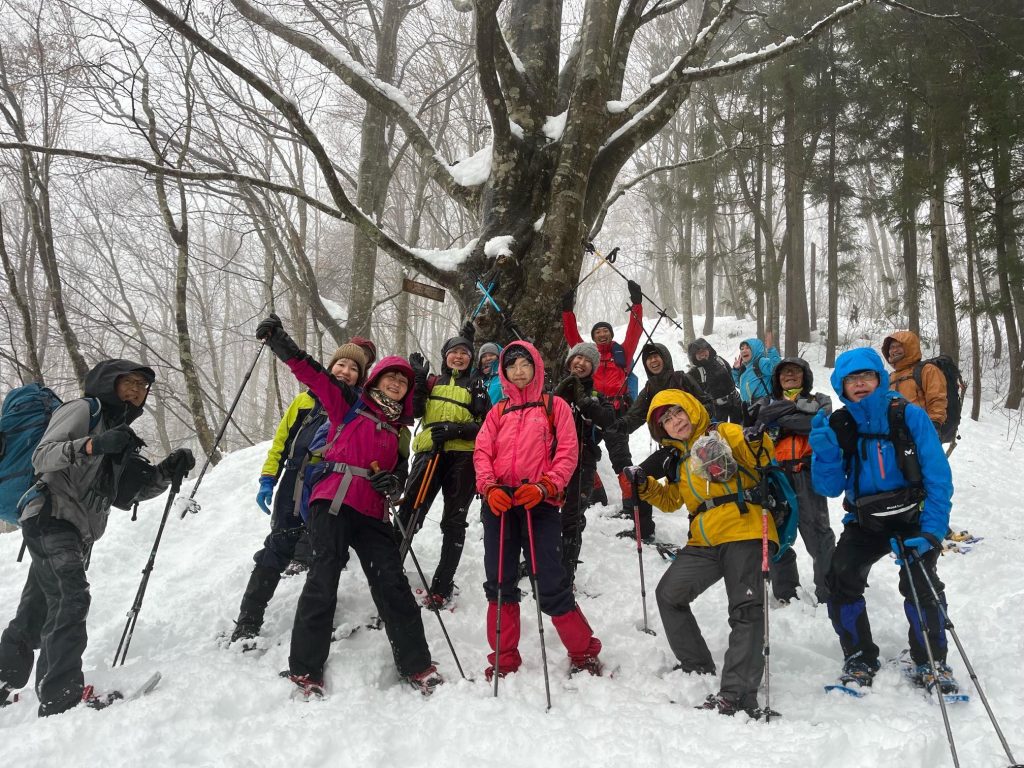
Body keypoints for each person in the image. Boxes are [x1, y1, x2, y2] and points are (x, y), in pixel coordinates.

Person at [255, 314, 442, 697]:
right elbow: (314, 375)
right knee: (324, 576)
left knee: (392, 581)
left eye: (403, 381)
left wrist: (390, 483)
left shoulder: (398, 432)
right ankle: (305, 669)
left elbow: (398, 477)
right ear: (376, 380)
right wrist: (281, 342)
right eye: (391, 376)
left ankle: (417, 663)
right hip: (334, 501)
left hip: (372, 511)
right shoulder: (349, 404)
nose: (395, 383)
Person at [0, 360, 195, 716]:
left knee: (37, 610)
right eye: (130, 382)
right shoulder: (82, 410)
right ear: (110, 382)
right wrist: (93, 445)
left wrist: (166, 471)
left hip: (75, 532)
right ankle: (61, 698)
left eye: (143, 386)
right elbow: (42, 455)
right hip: (51, 516)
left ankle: (3, 681)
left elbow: (126, 495)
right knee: (71, 598)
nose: (137, 390)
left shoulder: (119, 432)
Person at [809, 347, 957, 694]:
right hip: (865, 521)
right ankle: (859, 656)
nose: (859, 384)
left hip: (912, 518)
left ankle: (930, 660)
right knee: (840, 577)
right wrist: (826, 453)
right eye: (851, 379)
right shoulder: (840, 424)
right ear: (841, 386)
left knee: (921, 584)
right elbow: (829, 488)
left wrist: (933, 531)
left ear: (879, 377)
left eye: (866, 376)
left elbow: (938, 477)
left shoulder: (910, 416)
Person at [628, 388, 777, 718]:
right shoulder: (681, 461)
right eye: (665, 420)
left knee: (746, 609)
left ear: (691, 409)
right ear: (661, 430)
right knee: (670, 593)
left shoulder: (723, 432)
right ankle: (696, 665)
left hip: (743, 527)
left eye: (677, 412)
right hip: (703, 540)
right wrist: (646, 485)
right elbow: (672, 502)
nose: (674, 421)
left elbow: (762, 456)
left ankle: (738, 694)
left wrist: (755, 436)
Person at [474, 341, 603, 678]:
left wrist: (547, 485)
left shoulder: (554, 406)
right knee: (499, 582)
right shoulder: (497, 411)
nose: (519, 371)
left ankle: (583, 650)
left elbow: (568, 454)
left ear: (537, 368)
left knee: (550, 581)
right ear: (503, 371)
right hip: (500, 504)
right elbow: (481, 453)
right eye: (512, 365)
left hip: (539, 503)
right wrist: (488, 487)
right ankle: (504, 659)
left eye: (525, 364)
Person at [229, 343, 368, 645]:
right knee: (277, 545)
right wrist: (268, 478)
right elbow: (281, 441)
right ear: (330, 367)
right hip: (295, 480)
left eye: (354, 368)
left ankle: (317, 621)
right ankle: (248, 620)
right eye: (341, 365)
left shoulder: (358, 406)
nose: (345, 372)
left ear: (360, 377)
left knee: (325, 555)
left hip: (331, 483)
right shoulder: (303, 401)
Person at [399, 329, 490, 610]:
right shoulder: (432, 381)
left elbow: (486, 424)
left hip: (462, 457)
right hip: (429, 451)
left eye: (465, 352)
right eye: (454, 352)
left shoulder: (477, 385)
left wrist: (457, 429)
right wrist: (417, 381)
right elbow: (414, 412)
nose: (459, 356)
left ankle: (442, 584)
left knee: (454, 521)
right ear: (445, 356)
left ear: (471, 358)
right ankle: (389, 568)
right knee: (410, 511)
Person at [750, 357, 835, 605]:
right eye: (784, 372)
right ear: (777, 379)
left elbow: (817, 422)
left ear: (804, 376)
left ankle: (829, 591)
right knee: (777, 532)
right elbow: (760, 421)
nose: (789, 375)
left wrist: (780, 420)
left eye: (795, 372)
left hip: (807, 474)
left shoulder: (819, 399)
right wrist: (796, 416)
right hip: (775, 476)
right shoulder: (765, 402)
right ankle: (786, 592)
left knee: (818, 533)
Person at [561, 279, 644, 516]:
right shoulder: (588, 356)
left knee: (621, 458)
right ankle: (596, 496)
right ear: (594, 337)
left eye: (605, 331)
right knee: (582, 449)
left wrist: (636, 303)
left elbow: (635, 331)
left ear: (611, 334)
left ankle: (630, 505)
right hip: (591, 410)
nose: (602, 334)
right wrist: (567, 310)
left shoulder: (622, 353)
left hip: (616, 413)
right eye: (598, 332)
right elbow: (571, 336)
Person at [617, 342, 708, 543]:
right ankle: (644, 530)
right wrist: (616, 425)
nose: (653, 360)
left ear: (665, 357)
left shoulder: (682, 378)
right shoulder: (650, 388)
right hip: (671, 451)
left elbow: (705, 402)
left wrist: (705, 431)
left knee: (704, 488)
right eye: (648, 358)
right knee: (637, 478)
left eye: (656, 355)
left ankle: (701, 533)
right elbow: (635, 415)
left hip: (699, 445)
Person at [551, 343, 616, 587]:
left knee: (572, 515)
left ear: (593, 367)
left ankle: (565, 573)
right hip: (550, 460)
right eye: (576, 357)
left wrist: (584, 401)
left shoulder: (599, 396)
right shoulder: (554, 389)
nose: (580, 362)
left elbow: (608, 420)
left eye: (586, 360)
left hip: (582, 461)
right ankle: (545, 560)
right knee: (545, 513)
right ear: (569, 362)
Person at [881, 331, 947, 432]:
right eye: (891, 347)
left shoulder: (927, 370)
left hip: (922, 429)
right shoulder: (891, 377)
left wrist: (935, 424)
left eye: (899, 346)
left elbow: (937, 398)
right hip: (896, 433)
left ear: (910, 347)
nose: (894, 350)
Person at [686, 338, 742, 423]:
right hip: (715, 409)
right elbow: (693, 393)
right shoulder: (694, 372)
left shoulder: (719, 360)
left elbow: (732, 376)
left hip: (735, 401)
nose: (702, 354)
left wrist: (736, 369)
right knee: (719, 433)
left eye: (704, 350)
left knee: (739, 429)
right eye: (698, 353)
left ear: (708, 349)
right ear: (693, 356)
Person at [732, 333, 781, 405]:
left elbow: (776, 368)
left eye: (748, 348)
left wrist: (771, 350)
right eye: (742, 349)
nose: (744, 351)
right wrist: (736, 370)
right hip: (749, 407)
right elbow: (740, 385)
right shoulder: (744, 368)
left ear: (756, 349)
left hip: (764, 406)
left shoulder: (760, 362)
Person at [475, 342, 504, 406]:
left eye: (491, 355)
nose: (488, 358)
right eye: (484, 356)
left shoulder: (506, 377)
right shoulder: (479, 381)